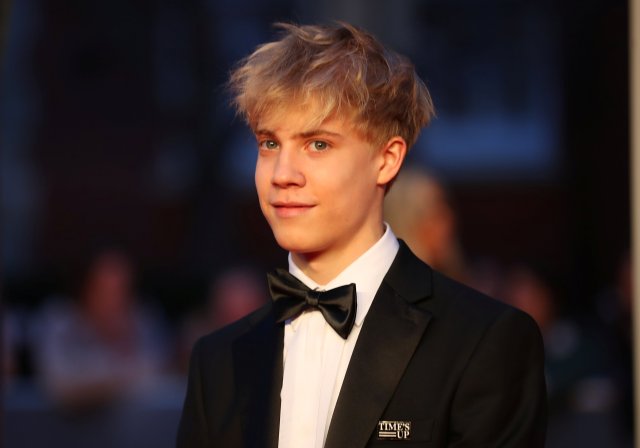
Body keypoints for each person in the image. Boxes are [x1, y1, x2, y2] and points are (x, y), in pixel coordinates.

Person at [177, 22, 546, 448]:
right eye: (269, 144)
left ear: (387, 159)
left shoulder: (484, 342)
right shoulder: (218, 361)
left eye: (317, 145)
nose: (282, 175)